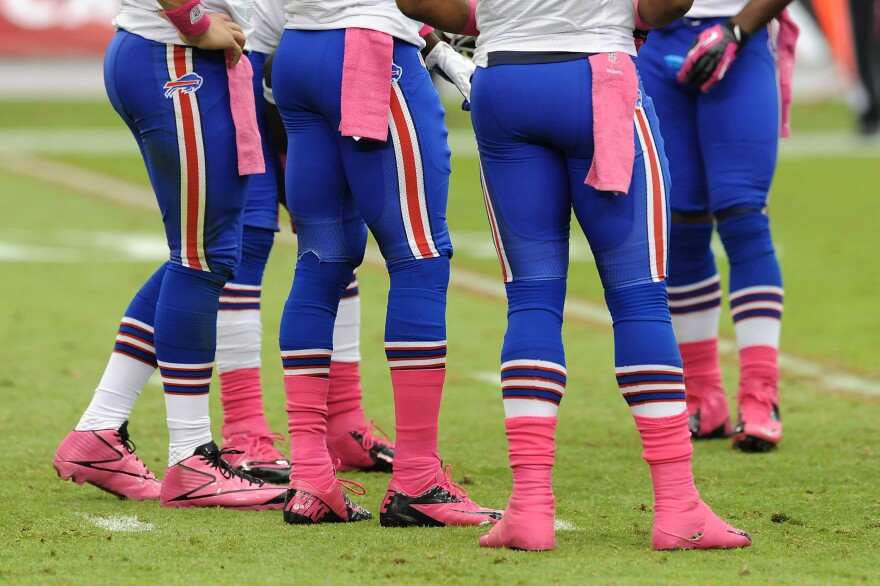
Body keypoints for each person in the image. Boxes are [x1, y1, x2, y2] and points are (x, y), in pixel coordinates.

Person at [401, 0, 754, 551]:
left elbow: (419, 4)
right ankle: (679, 506)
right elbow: (667, 5)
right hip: (596, 78)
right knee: (639, 298)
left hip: (505, 82)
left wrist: (497, 19)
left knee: (531, 300)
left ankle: (531, 508)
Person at [271, 0, 502, 526]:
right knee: (419, 257)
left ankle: (309, 476)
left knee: (320, 261)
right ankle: (418, 479)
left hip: (300, 49)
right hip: (370, 54)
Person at [53, 0, 287, 509]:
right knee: (204, 257)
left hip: (172, 56)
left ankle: (99, 430)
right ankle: (191, 459)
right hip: (174, 57)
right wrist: (195, 22)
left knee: (206, 252)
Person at [214, 0, 395, 483]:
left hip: (298, 55)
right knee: (242, 245)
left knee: (334, 237)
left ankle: (344, 422)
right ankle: (243, 425)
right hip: (238, 53)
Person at [637, 0, 797, 451]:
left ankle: (760, 394)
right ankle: (704, 397)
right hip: (655, 35)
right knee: (681, 224)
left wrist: (738, 29)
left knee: (743, 215)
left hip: (739, 37)